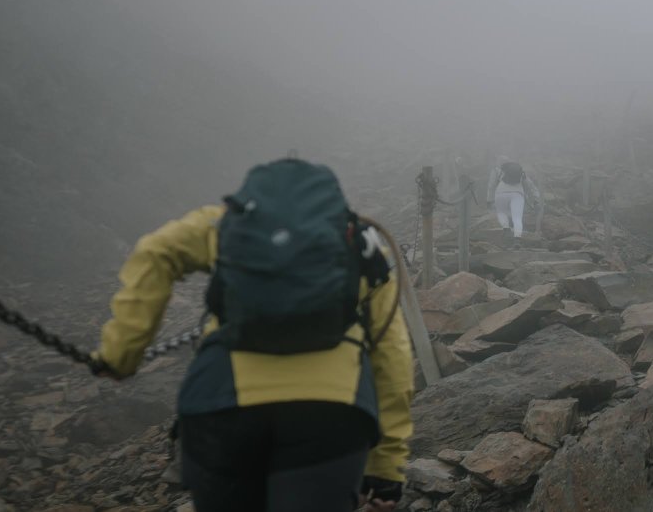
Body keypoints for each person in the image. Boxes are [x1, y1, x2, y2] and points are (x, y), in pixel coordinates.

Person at [92, 158, 413, 512]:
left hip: (221, 406)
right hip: (332, 414)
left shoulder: (225, 225)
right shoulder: (360, 242)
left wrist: (120, 355)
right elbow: (392, 356)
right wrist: (386, 467)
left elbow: (155, 252)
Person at [486, 155, 541, 247]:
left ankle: (506, 229)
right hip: (517, 194)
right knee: (517, 218)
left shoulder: (496, 170)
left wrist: (489, 200)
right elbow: (530, 186)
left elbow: (491, 185)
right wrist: (536, 200)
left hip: (501, 193)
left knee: (501, 212)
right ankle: (517, 240)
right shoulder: (520, 172)